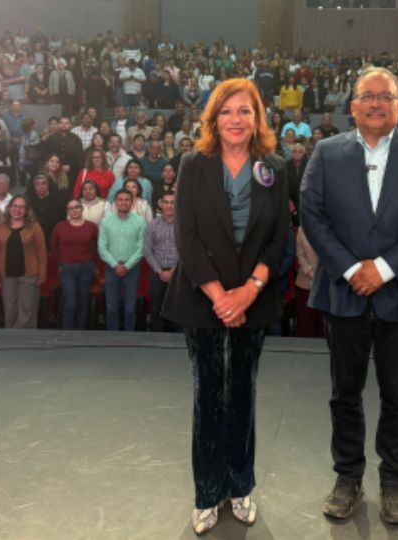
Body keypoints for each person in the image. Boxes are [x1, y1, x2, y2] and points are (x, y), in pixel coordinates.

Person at [300, 67, 398, 525]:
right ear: (353, 106)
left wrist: (383, 269)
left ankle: (394, 482)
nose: (377, 103)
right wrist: (351, 269)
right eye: (368, 95)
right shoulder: (326, 152)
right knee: (344, 393)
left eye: (387, 96)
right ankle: (347, 478)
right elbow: (312, 214)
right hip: (342, 291)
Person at [159, 78, 289, 534]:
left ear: (257, 119)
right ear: (213, 119)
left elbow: (279, 238)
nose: (236, 119)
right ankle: (207, 492)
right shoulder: (193, 164)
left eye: (245, 111)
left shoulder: (274, 167)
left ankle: (240, 486)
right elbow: (186, 236)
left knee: (243, 394)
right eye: (227, 111)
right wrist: (221, 297)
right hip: (203, 301)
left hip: (254, 298)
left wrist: (249, 291)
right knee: (208, 395)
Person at [0, 195, 47, 329]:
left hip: (29, 275)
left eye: (21, 207)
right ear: (9, 208)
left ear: (27, 210)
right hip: (7, 276)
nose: (17, 210)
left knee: (27, 310)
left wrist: (42, 275)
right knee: (10, 310)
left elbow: (42, 252)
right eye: (15, 206)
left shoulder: (35, 226)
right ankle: (12, 338)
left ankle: (26, 339)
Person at [98, 189, 146, 332]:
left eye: (127, 200)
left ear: (132, 202)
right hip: (111, 269)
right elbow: (102, 247)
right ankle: (112, 338)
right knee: (111, 308)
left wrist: (127, 266)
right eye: (120, 200)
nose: (123, 202)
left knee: (130, 308)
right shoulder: (106, 221)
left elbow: (141, 248)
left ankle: (129, 338)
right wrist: (115, 265)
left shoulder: (140, 222)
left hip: (132, 269)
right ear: (115, 202)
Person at [51, 197, 99, 330]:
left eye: (77, 207)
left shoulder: (91, 226)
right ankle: (67, 334)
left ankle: (79, 334)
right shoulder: (60, 226)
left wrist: (93, 263)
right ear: (67, 211)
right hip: (67, 269)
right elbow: (53, 246)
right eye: (71, 208)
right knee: (70, 303)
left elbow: (96, 246)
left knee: (83, 303)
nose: (74, 210)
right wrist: (60, 262)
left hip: (86, 268)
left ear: (82, 209)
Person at [143, 192, 178, 332]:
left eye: (172, 202)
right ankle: (155, 338)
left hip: (178, 274)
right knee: (156, 308)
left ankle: (179, 340)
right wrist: (160, 271)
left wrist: (174, 270)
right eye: (166, 202)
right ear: (161, 204)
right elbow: (147, 250)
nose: (169, 206)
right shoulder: (152, 225)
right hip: (157, 273)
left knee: (178, 308)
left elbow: (187, 250)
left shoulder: (184, 225)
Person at [25, 173, 68, 244]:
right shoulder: (28, 201)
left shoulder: (58, 201)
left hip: (52, 236)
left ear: (48, 185)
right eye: (37, 184)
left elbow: (62, 220)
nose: (41, 186)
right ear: (34, 186)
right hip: (32, 237)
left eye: (44, 184)